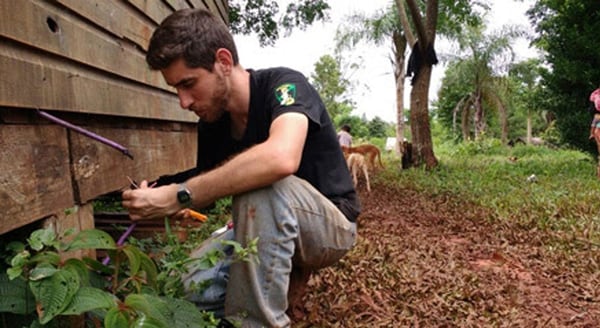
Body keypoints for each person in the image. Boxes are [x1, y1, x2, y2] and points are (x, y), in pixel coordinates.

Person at [121, 8, 360, 328]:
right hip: (258, 222)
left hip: (331, 226)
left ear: (223, 61)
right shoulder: (212, 124)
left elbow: (280, 158)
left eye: (189, 83)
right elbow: (205, 180)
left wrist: (179, 196)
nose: (183, 101)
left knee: (262, 182)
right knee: (183, 289)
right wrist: (161, 192)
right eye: (176, 88)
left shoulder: (285, 85)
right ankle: (269, 287)